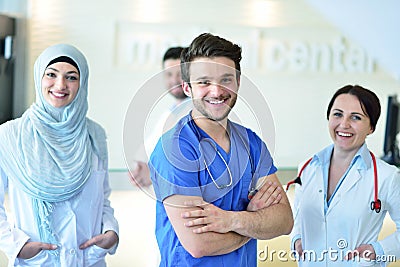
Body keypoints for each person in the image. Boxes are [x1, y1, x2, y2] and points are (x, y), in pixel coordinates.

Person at [149, 33, 293, 266]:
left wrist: (230, 220)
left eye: (226, 79)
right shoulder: (175, 149)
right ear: (187, 87)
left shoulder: (251, 143)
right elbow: (199, 244)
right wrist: (254, 221)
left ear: (238, 82)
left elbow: (284, 221)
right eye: (204, 82)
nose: (216, 92)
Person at [0, 44, 119, 266]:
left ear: (82, 84)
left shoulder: (94, 134)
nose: (60, 85)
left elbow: (103, 198)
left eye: (71, 77)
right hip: (39, 261)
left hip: (87, 259)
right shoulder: (10, 135)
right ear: (39, 78)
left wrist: (111, 232)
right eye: (51, 74)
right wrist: (17, 245)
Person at [291, 85, 400, 266]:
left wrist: (378, 250)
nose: (344, 124)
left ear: (371, 127)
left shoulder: (386, 176)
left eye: (356, 117)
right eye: (338, 114)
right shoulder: (307, 168)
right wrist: (297, 240)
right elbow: (298, 218)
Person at [130, 46, 188, 187]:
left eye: (179, 74)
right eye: (168, 74)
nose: (174, 80)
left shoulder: (197, 112)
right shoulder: (169, 112)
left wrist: (154, 174)